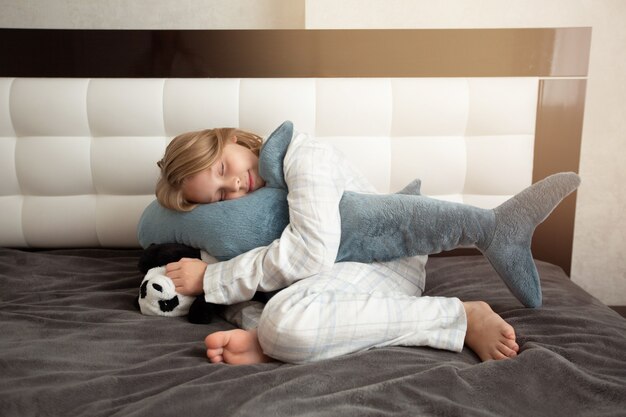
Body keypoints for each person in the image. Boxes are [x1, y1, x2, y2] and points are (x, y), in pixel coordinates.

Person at [155, 126, 578, 364]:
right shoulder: (244, 218)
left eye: (224, 168)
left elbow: (310, 252)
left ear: (234, 139)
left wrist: (214, 276)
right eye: (220, 196)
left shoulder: (304, 156)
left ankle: (459, 316)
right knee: (263, 315)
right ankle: (272, 346)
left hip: (383, 261)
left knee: (284, 320)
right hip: (325, 279)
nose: (235, 184)